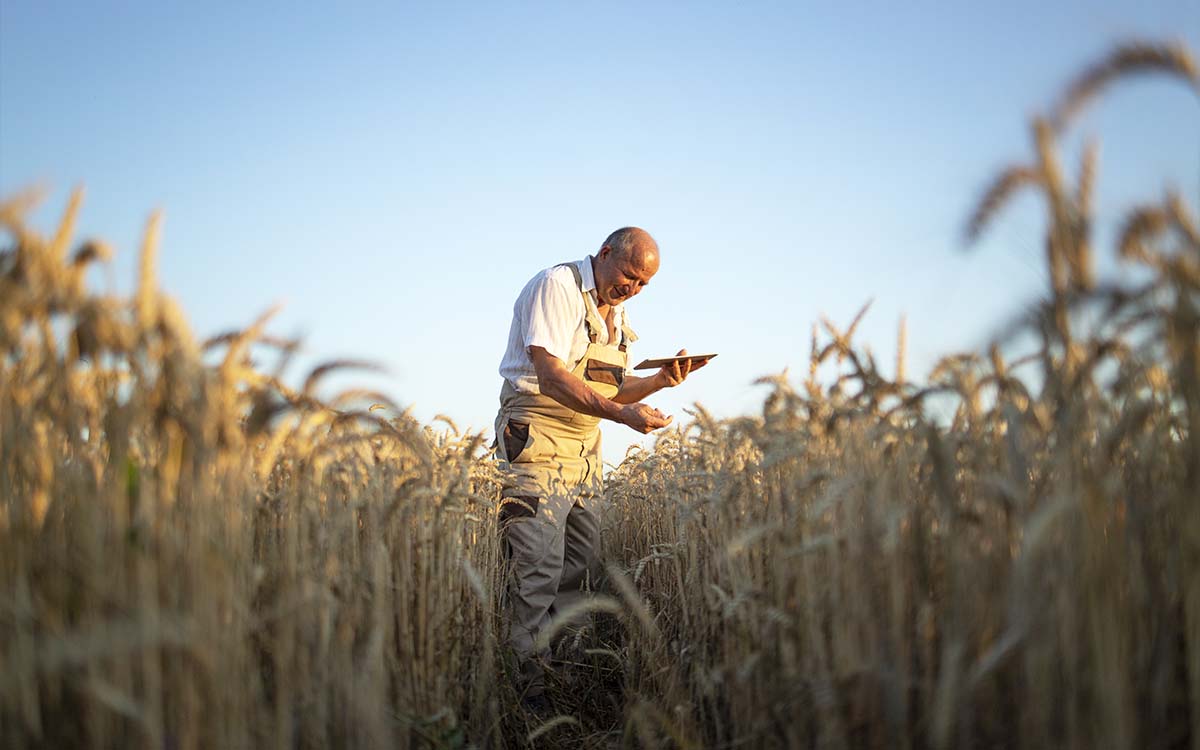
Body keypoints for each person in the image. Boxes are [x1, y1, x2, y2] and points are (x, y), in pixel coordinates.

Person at [493, 226, 707, 708]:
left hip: (584, 445)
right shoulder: (558, 286)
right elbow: (551, 377)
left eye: (643, 285)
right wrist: (623, 417)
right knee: (537, 568)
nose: (632, 289)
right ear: (606, 253)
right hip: (537, 437)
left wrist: (656, 383)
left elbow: (609, 389)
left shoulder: (617, 314)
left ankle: (568, 681)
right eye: (629, 276)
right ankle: (527, 693)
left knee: (579, 565)